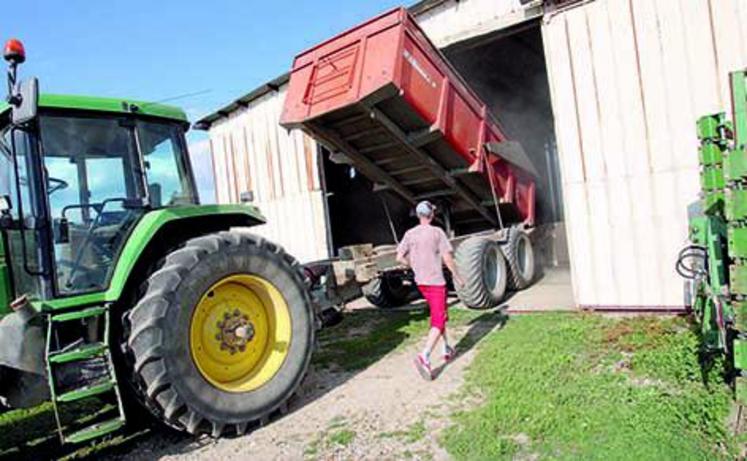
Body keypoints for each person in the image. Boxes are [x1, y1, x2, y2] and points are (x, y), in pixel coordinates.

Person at [396, 200, 464, 380]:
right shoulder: (437, 232)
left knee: (439, 313)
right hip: (436, 282)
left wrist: (414, 265)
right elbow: (448, 258)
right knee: (439, 320)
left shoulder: (410, 234)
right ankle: (424, 356)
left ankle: (446, 348)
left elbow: (399, 257)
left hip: (422, 282)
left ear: (419, 215)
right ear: (432, 215)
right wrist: (457, 276)